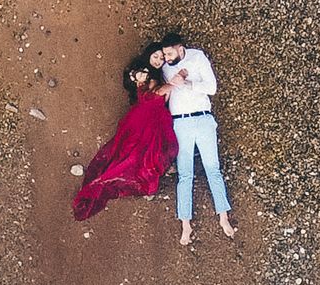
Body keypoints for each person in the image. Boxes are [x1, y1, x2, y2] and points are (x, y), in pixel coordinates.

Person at [150, 34, 236, 248]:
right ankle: (185, 224)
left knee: (212, 169)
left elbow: (211, 88)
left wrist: (186, 83)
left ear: (180, 49)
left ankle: (223, 217)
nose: (167, 58)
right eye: (164, 55)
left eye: (169, 53)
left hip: (203, 118)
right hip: (180, 122)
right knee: (185, 173)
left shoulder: (197, 57)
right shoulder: (165, 67)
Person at [71, 57, 176, 222]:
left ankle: (105, 181)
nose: (159, 60)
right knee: (128, 156)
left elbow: (156, 96)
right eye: (156, 56)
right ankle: (103, 182)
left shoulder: (153, 78)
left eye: (161, 57)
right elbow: (153, 96)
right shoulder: (144, 78)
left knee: (138, 157)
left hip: (150, 121)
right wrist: (174, 82)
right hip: (142, 121)